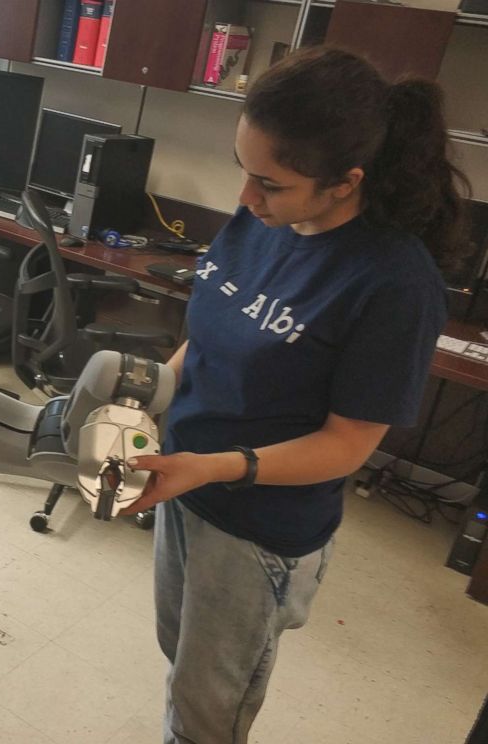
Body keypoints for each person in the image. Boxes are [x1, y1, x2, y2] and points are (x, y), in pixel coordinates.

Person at [122, 46, 471, 744]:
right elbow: (214, 330)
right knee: (180, 660)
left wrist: (216, 466)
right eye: (243, 172)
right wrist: (145, 393)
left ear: (346, 182)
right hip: (183, 484)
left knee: (206, 711)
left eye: (270, 184)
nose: (246, 199)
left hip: (257, 531)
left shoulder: (395, 286)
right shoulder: (264, 219)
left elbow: (345, 446)